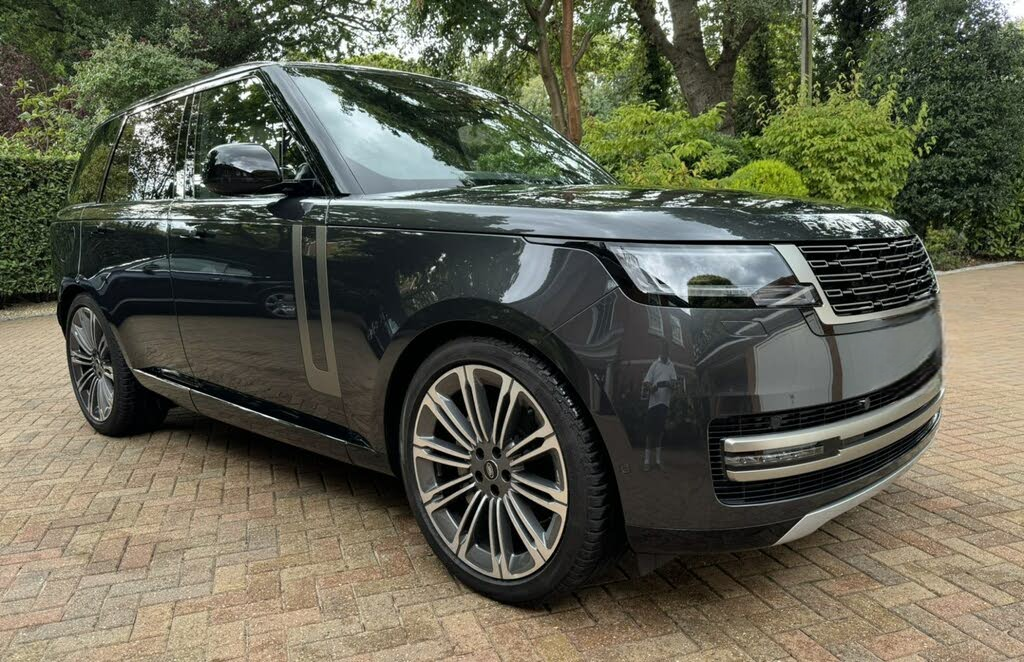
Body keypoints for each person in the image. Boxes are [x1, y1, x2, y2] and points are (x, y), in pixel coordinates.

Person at [642, 341, 677, 471]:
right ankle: (646, 461)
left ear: (668, 352)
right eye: (662, 350)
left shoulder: (671, 365)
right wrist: (651, 388)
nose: (664, 353)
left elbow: (674, 383)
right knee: (650, 433)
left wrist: (669, 385)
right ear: (660, 350)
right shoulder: (654, 365)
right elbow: (646, 382)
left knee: (659, 433)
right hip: (653, 404)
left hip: (664, 404)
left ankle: (657, 461)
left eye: (666, 350)